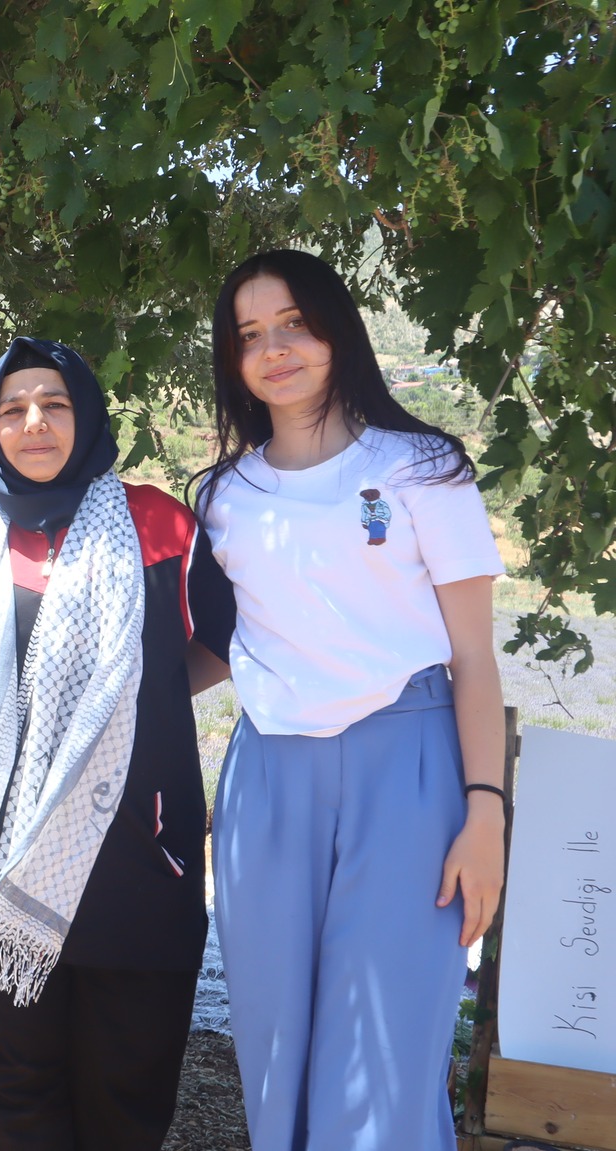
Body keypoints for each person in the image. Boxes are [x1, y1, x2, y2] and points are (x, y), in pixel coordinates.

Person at [0, 337, 236, 1150]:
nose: (33, 422)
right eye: (12, 408)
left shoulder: (158, 526)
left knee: (126, 1094)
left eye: (55, 403)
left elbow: (218, 643)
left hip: (135, 858)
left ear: (89, 416)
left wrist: (129, 707)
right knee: (16, 1088)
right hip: (4, 863)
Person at [195, 249, 506, 1151]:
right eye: (250, 334)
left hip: (407, 771)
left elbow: (474, 658)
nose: (275, 349)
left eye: (294, 323)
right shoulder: (223, 497)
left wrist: (485, 814)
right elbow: (219, 649)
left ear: (337, 330)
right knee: (276, 1057)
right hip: (267, 784)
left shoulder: (423, 468)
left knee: (384, 1064)